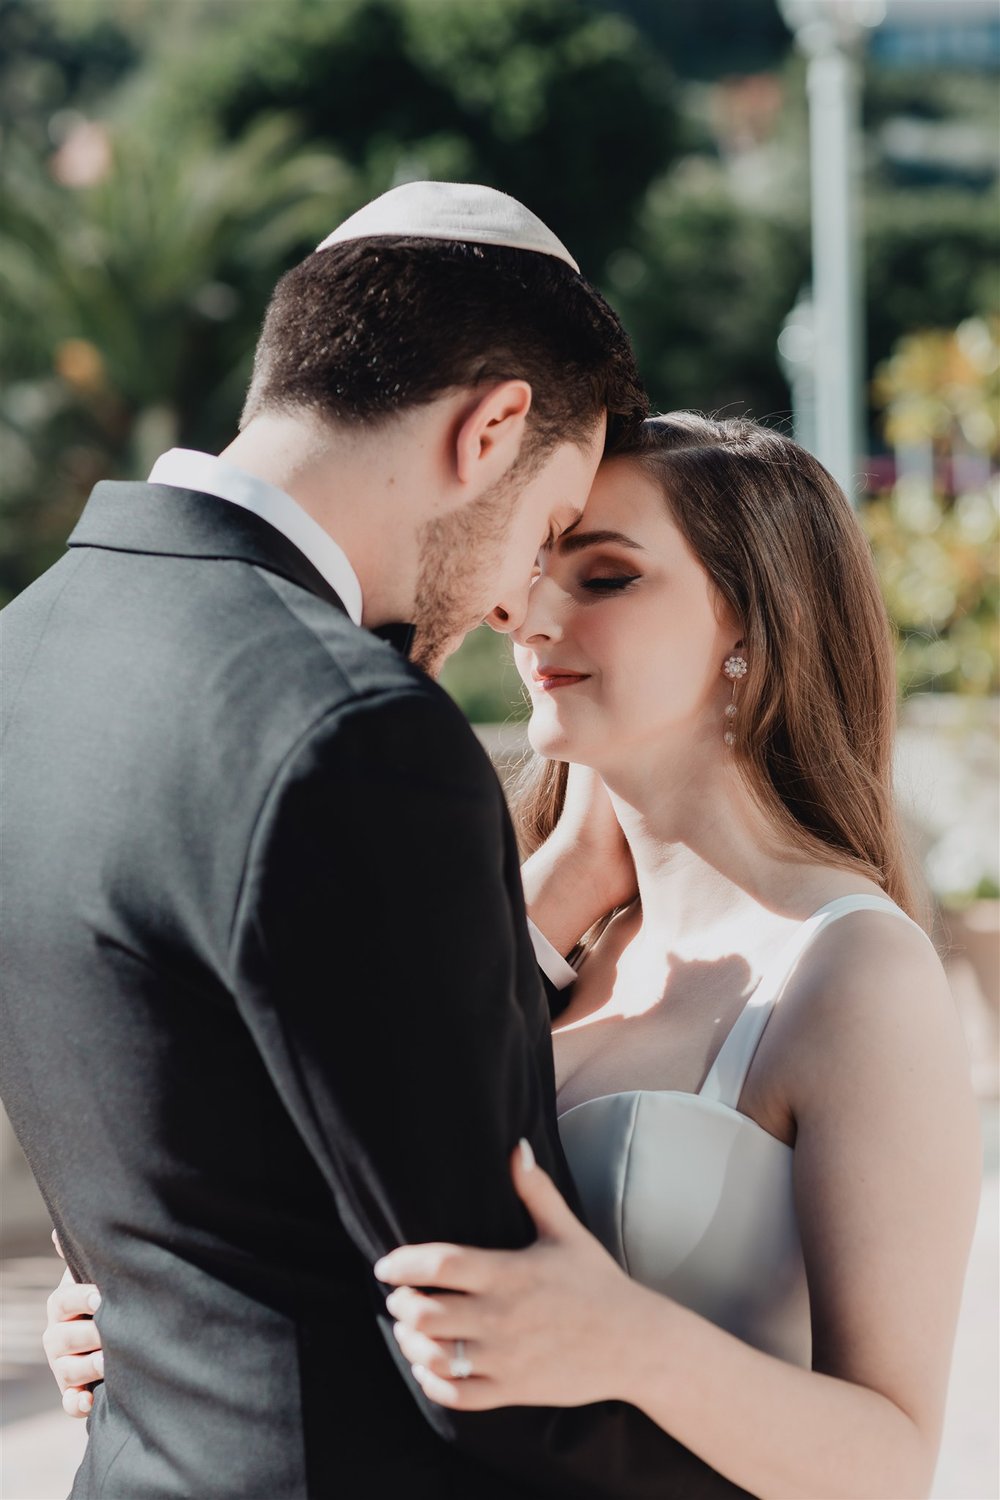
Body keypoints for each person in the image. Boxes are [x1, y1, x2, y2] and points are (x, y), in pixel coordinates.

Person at [47, 414, 980, 1499]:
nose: (526, 612)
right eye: (538, 567)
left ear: (752, 628)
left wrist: (628, 1340)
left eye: (605, 577)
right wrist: (165, 1323)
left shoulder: (852, 973)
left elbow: (892, 1463)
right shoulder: (532, 934)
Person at [2, 186, 749, 1500]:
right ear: (493, 427)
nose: (522, 593)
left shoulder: (30, 654)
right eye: (548, 523)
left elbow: (222, 1080)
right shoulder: (349, 728)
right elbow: (483, 1341)